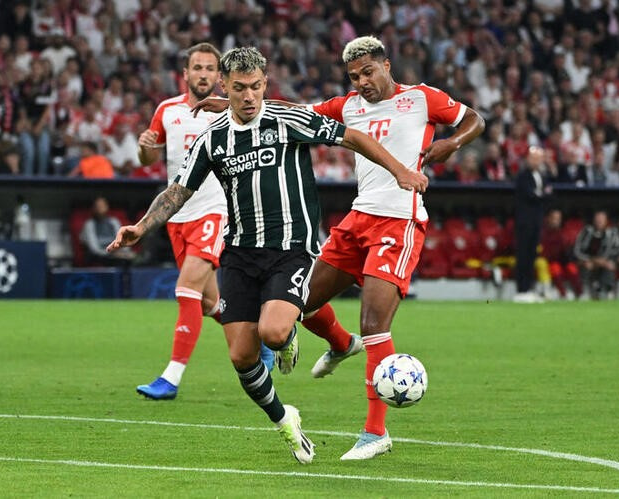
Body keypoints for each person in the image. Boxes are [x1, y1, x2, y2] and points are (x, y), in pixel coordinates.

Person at [107, 46, 425, 464]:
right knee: (242, 355)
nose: (249, 96)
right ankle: (284, 419)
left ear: (265, 83)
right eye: (239, 88)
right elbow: (176, 191)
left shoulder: (287, 118)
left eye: (257, 87)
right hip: (239, 252)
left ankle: (289, 330)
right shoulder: (212, 139)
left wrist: (399, 170)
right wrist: (140, 227)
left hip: (290, 248)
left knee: (273, 332)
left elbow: (353, 137)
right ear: (226, 86)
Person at [193, 36, 484, 460]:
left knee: (375, 324)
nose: (362, 82)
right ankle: (340, 344)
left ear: (386, 65)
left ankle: (375, 433)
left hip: (399, 219)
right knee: (300, 301)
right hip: (357, 218)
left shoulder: (422, 99)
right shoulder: (345, 105)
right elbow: (288, 115)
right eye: (354, 76)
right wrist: (231, 106)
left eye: (368, 72)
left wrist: (453, 143)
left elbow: (474, 117)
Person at [133, 42, 274, 402]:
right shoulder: (166, 110)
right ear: (186, 73)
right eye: (197, 67)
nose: (203, 74)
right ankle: (261, 343)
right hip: (177, 216)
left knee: (185, 290)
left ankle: (171, 377)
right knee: (213, 303)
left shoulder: (232, 111)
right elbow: (148, 157)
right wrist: (145, 144)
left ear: (220, 77)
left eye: (210, 69)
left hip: (216, 210)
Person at [513, 146, 550, 303]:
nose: (536, 161)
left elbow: (546, 195)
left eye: (539, 158)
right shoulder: (523, 176)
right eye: (533, 158)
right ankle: (521, 289)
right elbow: (531, 195)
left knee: (532, 256)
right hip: (525, 222)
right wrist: (542, 195)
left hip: (536, 221)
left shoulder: (542, 175)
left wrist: (540, 195)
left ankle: (529, 288)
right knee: (523, 255)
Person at [80, 196, 135, 266]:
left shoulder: (114, 221)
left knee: (131, 258)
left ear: (107, 207)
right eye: (97, 206)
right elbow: (94, 249)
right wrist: (111, 254)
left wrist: (125, 252)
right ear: (93, 208)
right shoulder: (89, 224)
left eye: (102, 205)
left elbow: (121, 240)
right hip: (98, 256)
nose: (100, 208)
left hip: (115, 253)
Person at [573, 210, 616, 299]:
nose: (599, 221)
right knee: (587, 265)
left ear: (606, 221)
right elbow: (577, 251)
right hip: (585, 260)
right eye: (598, 219)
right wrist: (591, 259)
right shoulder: (586, 231)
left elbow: (610, 251)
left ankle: (606, 291)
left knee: (609, 265)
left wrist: (603, 261)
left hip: (601, 261)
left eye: (602, 219)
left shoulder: (609, 233)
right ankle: (584, 292)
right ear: (593, 220)